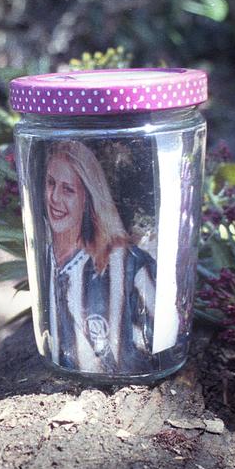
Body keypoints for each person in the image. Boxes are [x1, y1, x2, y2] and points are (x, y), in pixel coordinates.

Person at [42, 141, 157, 375]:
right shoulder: (45, 258)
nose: (54, 197)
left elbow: (157, 345)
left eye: (68, 189)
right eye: (50, 183)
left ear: (88, 198)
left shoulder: (126, 263)